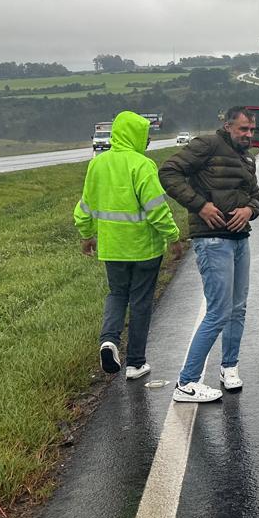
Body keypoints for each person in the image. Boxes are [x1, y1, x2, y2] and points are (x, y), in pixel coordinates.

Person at [159, 107, 259, 403]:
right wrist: (200, 205)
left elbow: (255, 197)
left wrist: (248, 210)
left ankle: (229, 367)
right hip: (212, 239)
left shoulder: (247, 158)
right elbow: (168, 172)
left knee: (237, 308)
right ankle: (186, 382)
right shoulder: (206, 145)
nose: (248, 135)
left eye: (252, 130)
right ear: (228, 126)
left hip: (240, 238)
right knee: (218, 311)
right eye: (243, 129)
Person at [74, 110, 183, 381]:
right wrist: (173, 236)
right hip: (145, 248)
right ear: (135, 135)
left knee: (116, 294)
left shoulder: (97, 165)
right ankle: (135, 362)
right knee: (141, 302)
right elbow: (156, 208)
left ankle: (109, 341)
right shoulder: (142, 165)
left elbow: (85, 206)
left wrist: (87, 235)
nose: (146, 141)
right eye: (144, 135)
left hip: (112, 247)